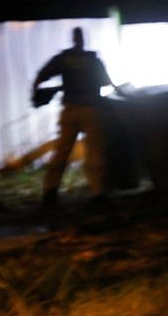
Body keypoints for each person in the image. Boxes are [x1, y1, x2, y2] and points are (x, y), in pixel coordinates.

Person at [33, 26, 112, 206]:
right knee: (94, 151)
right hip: (91, 110)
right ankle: (97, 192)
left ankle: (50, 191)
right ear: (83, 40)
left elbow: (41, 76)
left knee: (62, 151)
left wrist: (38, 92)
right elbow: (106, 82)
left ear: (73, 39)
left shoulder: (63, 59)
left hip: (70, 110)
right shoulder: (93, 60)